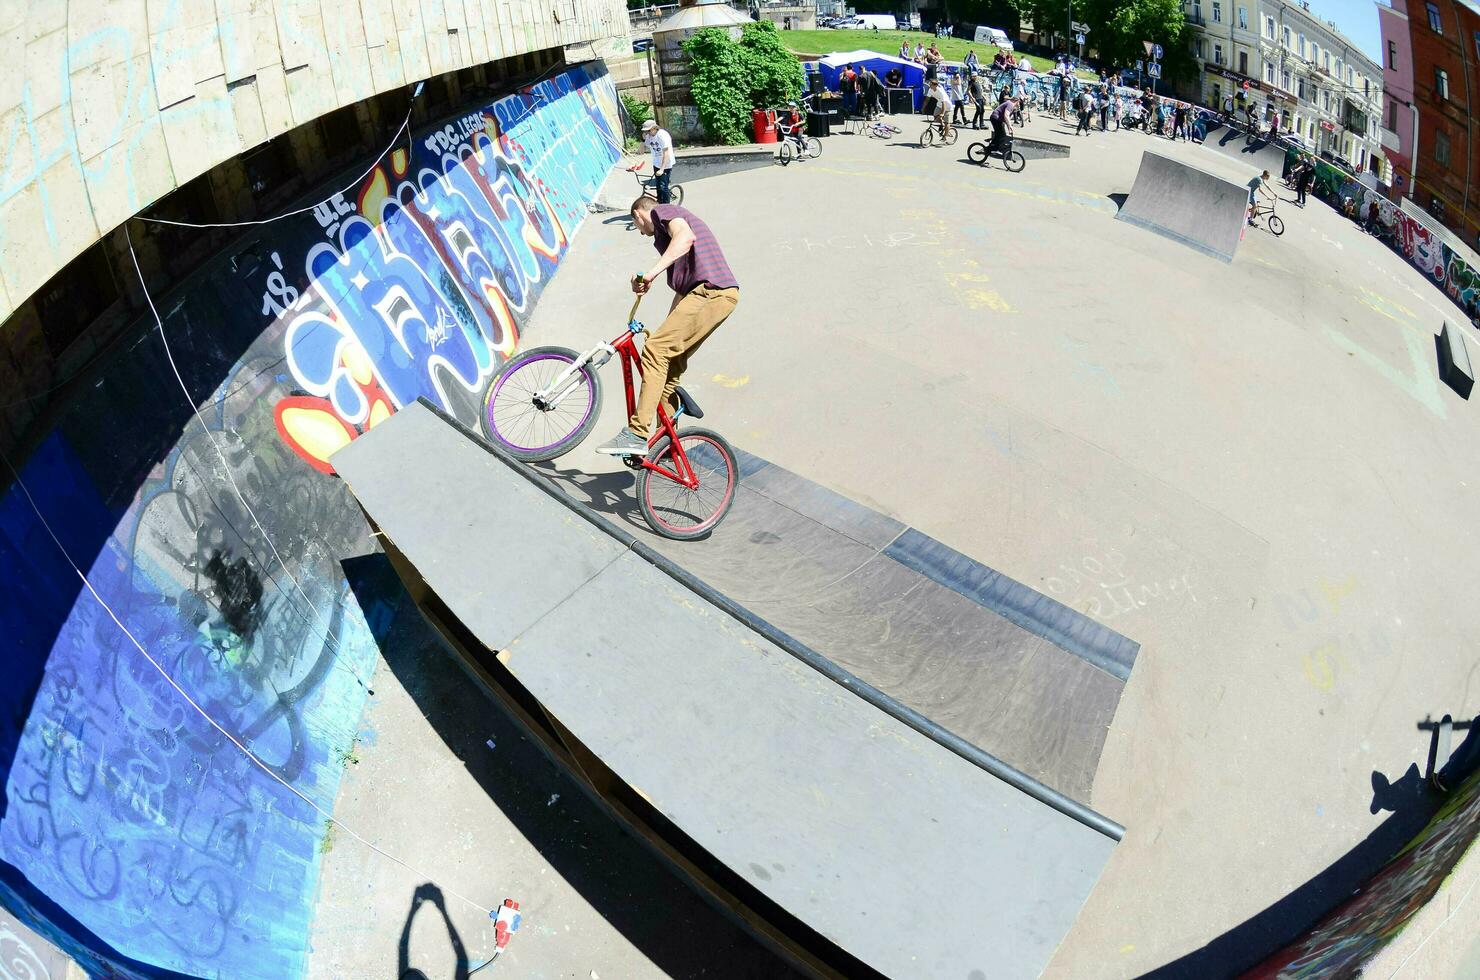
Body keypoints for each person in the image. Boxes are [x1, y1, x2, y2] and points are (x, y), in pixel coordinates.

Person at [599, 199, 740, 457]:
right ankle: (669, 447)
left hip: (711, 292)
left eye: (636, 225)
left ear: (638, 214)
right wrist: (667, 328)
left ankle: (636, 433)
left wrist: (651, 274)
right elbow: (683, 294)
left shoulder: (663, 211)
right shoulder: (665, 242)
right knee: (667, 368)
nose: (641, 231)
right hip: (710, 295)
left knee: (654, 350)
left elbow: (685, 237)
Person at [641, 119, 675, 204]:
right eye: (646, 131)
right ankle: (660, 204)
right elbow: (641, 151)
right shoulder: (649, 136)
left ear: (654, 128)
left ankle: (667, 207)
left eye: (648, 130)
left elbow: (666, 153)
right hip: (656, 163)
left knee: (663, 187)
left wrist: (662, 169)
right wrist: (643, 140)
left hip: (666, 164)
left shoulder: (662, 135)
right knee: (658, 186)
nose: (647, 133)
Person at [984, 96, 1015, 166]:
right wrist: (1010, 126)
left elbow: (1006, 119)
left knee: (1000, 134)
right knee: (1002, 135)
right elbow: (1006, 116)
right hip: (996, 118)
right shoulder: (1010, 104)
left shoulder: (1011, 106)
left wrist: (1009, 128)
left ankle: (990, 148)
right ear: (1017, 101)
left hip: (997, 119)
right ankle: (995, 149)